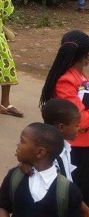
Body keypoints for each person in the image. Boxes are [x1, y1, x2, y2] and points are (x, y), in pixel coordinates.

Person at [40, 31, 89, 204]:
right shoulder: (66, 80)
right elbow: (78, 119)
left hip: (85, 142)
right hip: (76, 147)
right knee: (76, 193)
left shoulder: (81, 76)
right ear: (86, 56)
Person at [0, 122, 83, 217]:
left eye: (22, 141)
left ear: (40, 152)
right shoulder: (15, 175)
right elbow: (2, 206)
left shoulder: (69, 191)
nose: (18, 145)